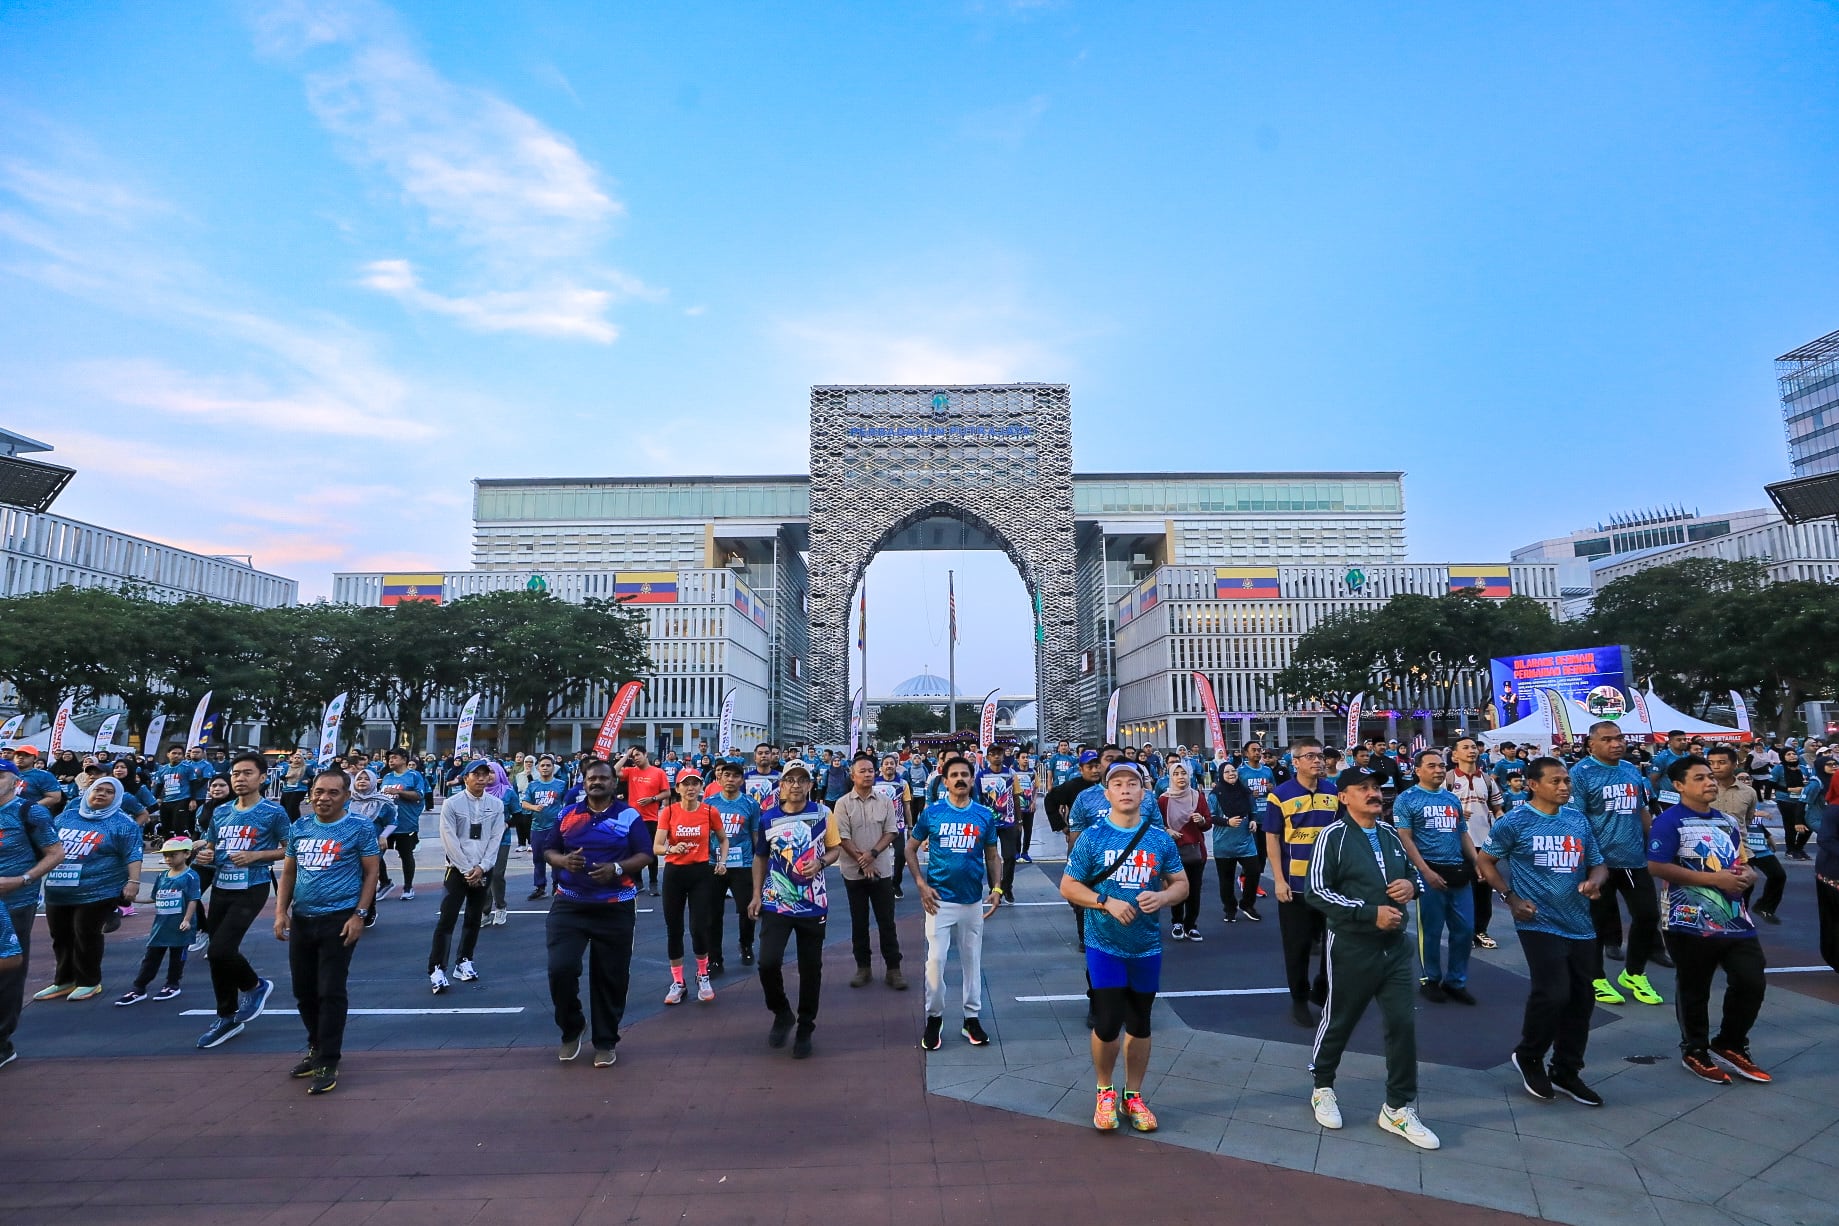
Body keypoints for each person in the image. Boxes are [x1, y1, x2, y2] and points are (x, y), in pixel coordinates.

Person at [1301, 769, 1436, 1148]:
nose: (1374, 793)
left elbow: (1416, 877)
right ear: (1344, 797)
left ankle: (1397, 1107)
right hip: (1351, 945)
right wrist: (1367, 912)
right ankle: (1322, 1086)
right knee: (1340, 1019)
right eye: (1363, 788)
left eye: (1376, 787)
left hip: (1395, 947)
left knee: (1402, 1024)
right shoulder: (1333, 836)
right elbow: (1315, 891)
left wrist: (1412, 886)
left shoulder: (1391, 834)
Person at [1059, 762, 1186, 1133]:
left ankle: (1134, 1095)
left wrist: (1162, 898)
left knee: (1141, 1022)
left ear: (1143, 793)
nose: (1126, 789)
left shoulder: (1159, 839)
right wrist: (1105, 901)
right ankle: (1104, 1091)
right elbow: (1069, 886)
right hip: (1104, 943)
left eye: (1133, 783)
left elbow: (1180, 883)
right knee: (1108, 1021)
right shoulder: (1093, 837)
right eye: (1117, 784)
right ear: (1107, 793)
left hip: (1146, 945)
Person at [1476, 756, 1609, 1106]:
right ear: (1533, 785)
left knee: (1582, 998)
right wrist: (1510, 897)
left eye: (1567, 781)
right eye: (1556, 781)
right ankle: (1529, 1055)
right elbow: (1485, 860)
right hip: (1537, 920)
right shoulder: (1515, 822)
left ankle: (1566, 1070)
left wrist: (1595, 882)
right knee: (1553, 993)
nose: (1564, 787)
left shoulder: (1577, 819)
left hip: (1580, 923)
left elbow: (1598, 864)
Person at [1647, 756, 1771, 1085]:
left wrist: (1748, 875)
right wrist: (1714, 880)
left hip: (1735, 918)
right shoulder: (1669, 821)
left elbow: (1743, 862)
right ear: (1679, 785)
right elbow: (1656, 866)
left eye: (1710, 777)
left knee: (1751, 980)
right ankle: (1695, 1049)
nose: (1710, 782)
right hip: (1687, 919)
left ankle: (1731, 1042)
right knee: (1694, 988)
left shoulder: (1727, 821)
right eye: (1700, 778)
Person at [274, 768, 380, 1095]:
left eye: (333, 792)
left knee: (330, 990)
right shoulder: (300, 827)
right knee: (303, 990)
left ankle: (328, 1060)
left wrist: (359, 915)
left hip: (340, 919)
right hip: (303, 919)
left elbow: (372, 872)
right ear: (310, 794)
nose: (324, 798)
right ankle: (316, 1046)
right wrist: (280, 911)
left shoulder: (360, 827)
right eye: (319, 792)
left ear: (346, 796)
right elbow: (289, 872)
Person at [545, 759, 652, 1067]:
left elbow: (645, 854)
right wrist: (563, 861)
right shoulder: (568, 814)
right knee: (561, 969)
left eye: (603, 778)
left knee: (610, 977)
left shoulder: (628, 815)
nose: (597, 782)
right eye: (591, 778)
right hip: (569, 904)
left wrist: (617, 868)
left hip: (615, 906)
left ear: (614, 783)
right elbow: (549, 850)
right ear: (584, 782)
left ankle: (605, 1041)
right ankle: (572, 1027)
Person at [188, 751, 290, 1046]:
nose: (240, 778)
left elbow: (290, 849)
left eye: (247, 773)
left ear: (262, 778)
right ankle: (226, 1016)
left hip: (252, 887)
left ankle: (255, 986)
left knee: (220, 949)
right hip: (222, 886)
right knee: (217, 956)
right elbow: (211, 847)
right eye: (235, 773)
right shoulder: (221, 811)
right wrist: (205, 855)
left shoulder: (273, 812)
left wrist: (257, 855)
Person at [1569, 721, 1666, 1007]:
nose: (1617, 743)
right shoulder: (1580, 773)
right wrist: (1587, 860)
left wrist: (1657, 845)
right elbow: (1576, 820)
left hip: (1633, 858)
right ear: (1591, 745)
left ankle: (1634, 974)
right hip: (1598, 862)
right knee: (1597, 922)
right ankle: (1596, 977)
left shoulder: (1631, 770)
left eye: (1620, 738)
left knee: (1648, 915)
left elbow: (1642, 811)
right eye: (1608, 739)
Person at [908, 755, 1002, 1050]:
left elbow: (992, 855)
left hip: (972, 902)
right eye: (954, 775)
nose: (960, 779)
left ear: (972, 780)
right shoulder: (932, 813)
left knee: (972, 961)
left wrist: (997, 888)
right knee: (935, 961)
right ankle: (934, 1017)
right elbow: (910, 849)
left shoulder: (984, 815)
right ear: (945, 781)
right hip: (939, 902)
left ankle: (971, 1018)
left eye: (965, 774)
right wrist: (921, 885)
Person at [749, 759, 839, 1059]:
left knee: (810, 968)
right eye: (790, 779)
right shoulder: (768, 818)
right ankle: (781, 1012)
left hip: (813, 904)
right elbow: (761, 857)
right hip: (777, 902)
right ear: (782, 785)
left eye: (802, 780)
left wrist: (821, 862)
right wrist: (756, 895)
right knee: (767, 963)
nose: (796, 785)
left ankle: (805, 1026)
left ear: (810, 785)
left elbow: (835, 848)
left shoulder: (823, 814)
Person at [35, 777, 143, 1003]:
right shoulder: (66, 817)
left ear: (117, 797)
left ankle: (89, 981)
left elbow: (133, 854)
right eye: (98, 789)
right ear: (88, 792)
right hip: (59, 888)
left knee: (85, 934)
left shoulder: (123, 823)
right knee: (60, 936)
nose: (101, 794)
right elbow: (46, 845)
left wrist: (133, 882)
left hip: (98, 890)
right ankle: (64, 980)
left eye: (109, 792)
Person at [1393, 750, 1479, 1006]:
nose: (1439, 770)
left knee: (1465, 930)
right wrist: (1425, 871)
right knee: (1430, 930)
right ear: (1417, 770)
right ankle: (1430, 979)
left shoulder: (1451, 798)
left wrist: (1478, 863)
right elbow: (1405, 837)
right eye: (1431, 766)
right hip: (1428, 872)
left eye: (1441, 766)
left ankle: (1456, 981)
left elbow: (1462, 833)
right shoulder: (1407, 799)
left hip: (1458, 872)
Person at [1266, 737, 1337, 1027]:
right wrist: (1278, 880)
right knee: (1297, 947)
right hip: (1294, 885)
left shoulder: (1333, 792)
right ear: (1295, 762)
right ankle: (1298, 999)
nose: (1318, 760)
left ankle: (1322, 987)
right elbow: (1272, 838)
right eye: (1310, 756)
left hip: (1329, 885)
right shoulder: (1280, 795)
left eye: (1320, 755)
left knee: (1333, 946)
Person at [0, 761, 63, 1067]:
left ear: (15, 781)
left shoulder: (29, 812)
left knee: (8, 971)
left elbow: (56, 853)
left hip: (15, 902)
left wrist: (22, 879)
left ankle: (2, 1042)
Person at [429, 761, 505, 994]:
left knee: (474, 917)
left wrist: (483, 867)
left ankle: (464, 960)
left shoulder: (496, 804)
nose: (481, 778)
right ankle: (437, 968)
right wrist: (466, 869)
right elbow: (449, 838)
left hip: (483, 868)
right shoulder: (452, 803)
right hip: (457, 869)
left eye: (485, 774)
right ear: (465, 778)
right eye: (476, 774)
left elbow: (496, 838)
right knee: (447, 919)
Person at [655, 768, 726, 1005]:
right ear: (678, 788)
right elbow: (656, 846)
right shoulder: (669, 812)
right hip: (674, 874)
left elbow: (723, 839)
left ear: (701, 787)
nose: (691, 788)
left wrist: (722, 861)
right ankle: (678, 982)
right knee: (674, 928)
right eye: (686, 784)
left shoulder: (709, 811)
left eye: (695, 783)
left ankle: (703, 975)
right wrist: (671, 848)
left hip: (701, 874)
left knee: (699, 927)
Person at [836, 753, 906, 991]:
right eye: (862, 771)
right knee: (859, 922)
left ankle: (893, 969)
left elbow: (891, 832)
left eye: (870, 770)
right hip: (853, 872)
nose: (867, 774)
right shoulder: (842, 803)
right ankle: (863, 967)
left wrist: (872, 855)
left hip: (881, 870)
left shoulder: (885, 801)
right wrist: (863, 861)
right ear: (852, 775)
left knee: (887, 921)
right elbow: (842, 837)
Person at [116, 836, 201, 1005]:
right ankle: (139, 987)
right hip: (161, 926)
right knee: (151, 957)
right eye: (166, 855)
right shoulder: (162, 876)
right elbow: (155, 897)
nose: (168, 859)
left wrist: (187, 920)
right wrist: (134, 899)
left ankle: (172, 984)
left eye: (173, 855)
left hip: (180, 927)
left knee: (177, 957)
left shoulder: (191, 876)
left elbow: (193, 899)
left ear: (186, 854)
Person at [1446, 736, 1504, 951]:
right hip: (1458, 843)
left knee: (1483, 890)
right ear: (1455, 755)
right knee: (1461, 889)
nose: (1471, 750)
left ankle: (1481, 930)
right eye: (1465, 747)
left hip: (1485, 844)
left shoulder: (1487, 780)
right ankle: (1464, 931)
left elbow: (1497, 808)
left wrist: (1502, 824)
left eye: (1473, 747)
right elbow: (1438, 809)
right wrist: (1455, 813)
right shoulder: (1447, 779)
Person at [706, 761, 761, 972]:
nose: (730, 779)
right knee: (713, 913)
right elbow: (704, 834)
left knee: (747, 910)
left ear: (741, 780)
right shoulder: (709, 803)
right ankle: (715, 958)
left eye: (735, 776)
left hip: (743, 864)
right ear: (719, 778)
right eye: (726, 775)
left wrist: (760, 862)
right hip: (714, 864)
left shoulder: (750, 804)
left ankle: (746, 945)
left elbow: (755, 835)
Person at [1159, 761, 1211, 941]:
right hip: (1173, 852)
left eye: (1183, 773)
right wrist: (1167, 830)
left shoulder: (1197, 796)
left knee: (1194, 890)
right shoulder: (1164, 799)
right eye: (1176, 774)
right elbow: (1156, 824)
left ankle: (1191, 925)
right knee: (1176, 888)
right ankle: (1177, 923)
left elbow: (1208, 823)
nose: (1180, 777)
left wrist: (1201, 820)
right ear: (1170, 777)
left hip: (1196, 850)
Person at [1209, 763, 1261, 923]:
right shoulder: (1215, 794)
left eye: (1233, 771)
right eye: (1227, 772)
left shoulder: (1245, 791)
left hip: (1245, 841)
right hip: (1223, 844)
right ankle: (1230, 909)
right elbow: (1210, 816)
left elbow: (1253, 810)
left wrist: (1253, 820)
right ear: (1221, 775)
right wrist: (1227, 822)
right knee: (1226, 880)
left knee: (1254, 871)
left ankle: (1247, 904)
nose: (1231, 773)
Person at [619, 749, 670, 896]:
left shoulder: (658, 772)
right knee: (634, 851)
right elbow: (614, 771)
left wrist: (652, 799)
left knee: (652, 851)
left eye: (637, 755)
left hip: (650, 818)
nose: (635, 758)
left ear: (645, 754)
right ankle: (638, 882)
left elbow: (666, 792)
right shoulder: (631, 771)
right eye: (633, 756)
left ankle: (653, 882)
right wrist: (626, 756)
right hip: (633, 819)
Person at [378, 748, 428, 899]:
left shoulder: (414, 776)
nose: (391, 761)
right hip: (386, 825)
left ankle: (408, 887)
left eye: (394, 757)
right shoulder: (387, 776)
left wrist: (399, 792)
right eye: (389, 758)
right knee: (375, 854)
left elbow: (419, 795)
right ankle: (385, 882)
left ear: (404, 759)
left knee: (406, 856)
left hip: (406, 823)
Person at [346, 770, 399, 904]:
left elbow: (393, 822)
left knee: (368, 875)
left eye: (366, 779)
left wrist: (383, 836)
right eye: (359, 779)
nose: (362, 781)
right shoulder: (348, 801)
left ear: (374, 782)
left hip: (373, 844)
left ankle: (368, 908)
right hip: (350, 844)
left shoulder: (382, 802)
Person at [523, 756, 567, 900]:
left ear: (553, 768)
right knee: (538, 859)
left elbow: (568, 803)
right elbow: (524, 803)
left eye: (548, 765)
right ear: (538, 768)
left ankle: (557, 885)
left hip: (556, 828)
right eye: (542, 765)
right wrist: (534, 807)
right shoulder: (533, 785)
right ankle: (540, 887)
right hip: (537, 827)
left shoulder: (561, 784)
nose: (545, 768)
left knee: (556, 858)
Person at [872, 755, 913, 900]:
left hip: (897, 826)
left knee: (901, 854)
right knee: (875, 855)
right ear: (881, 767)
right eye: (886, 763)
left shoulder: (903, 783)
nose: (889, 766)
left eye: (892, 763)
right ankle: (878, 883)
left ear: (896, 766)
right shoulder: (873, 783)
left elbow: (907, 806)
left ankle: (896, 884)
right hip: (877, 825)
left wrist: (910, 827)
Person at [1771, 750, 1812, 860]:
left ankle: (1799, 848)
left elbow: (1810, 781)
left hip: (1802, 799)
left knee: (1808, 823)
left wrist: (1806, 786)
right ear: (1783, 757)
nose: (1792, 756)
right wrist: (1789, 789)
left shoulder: (1803, 768)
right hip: (1785, 799)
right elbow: (1771, 784)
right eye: (1788, 754)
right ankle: (1790, 849)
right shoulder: (1778, 768)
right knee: (1791, 825)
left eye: (1794, 754)